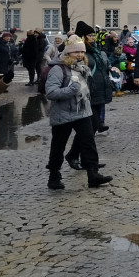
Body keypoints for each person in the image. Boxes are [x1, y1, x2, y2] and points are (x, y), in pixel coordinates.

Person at [44, 35, 111, 190]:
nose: (80, 55)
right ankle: (54, 176)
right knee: (58, 147)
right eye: (76, 52)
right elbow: (51, 93)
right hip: (63, 114)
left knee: (88, 143)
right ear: (68, 53)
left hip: (82, 111)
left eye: (82, 52)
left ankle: (93, 175)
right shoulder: (57, 69)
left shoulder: (82, 68)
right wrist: (71, 90)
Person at [65, 22, 114, 171]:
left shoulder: (95, 50)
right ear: (83, 37)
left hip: (99, 91)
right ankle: (75, 155)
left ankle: (85, 159)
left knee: (91, 129)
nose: (93, 37)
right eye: (90, 35)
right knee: (89, 128)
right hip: (88, 94)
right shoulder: (80, 52)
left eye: (93, 35)